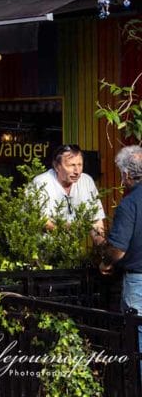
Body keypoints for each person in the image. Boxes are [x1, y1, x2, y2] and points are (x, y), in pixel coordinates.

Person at [100, 145, 142, 361]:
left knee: (140, 345)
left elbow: (117, 250)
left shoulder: (130, 203)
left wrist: (106, 262)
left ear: (126, 174)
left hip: (138, 281)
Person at [32, 144, 106, 244]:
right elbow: (40, 221)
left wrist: (101, 246)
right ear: (57, 166)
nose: (77, 171)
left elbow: (95, 219)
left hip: (73, 252)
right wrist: (70, 227)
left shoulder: (86, 181)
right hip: (43, 251)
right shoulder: (40, 183)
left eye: (80, 165)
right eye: (71, 165)